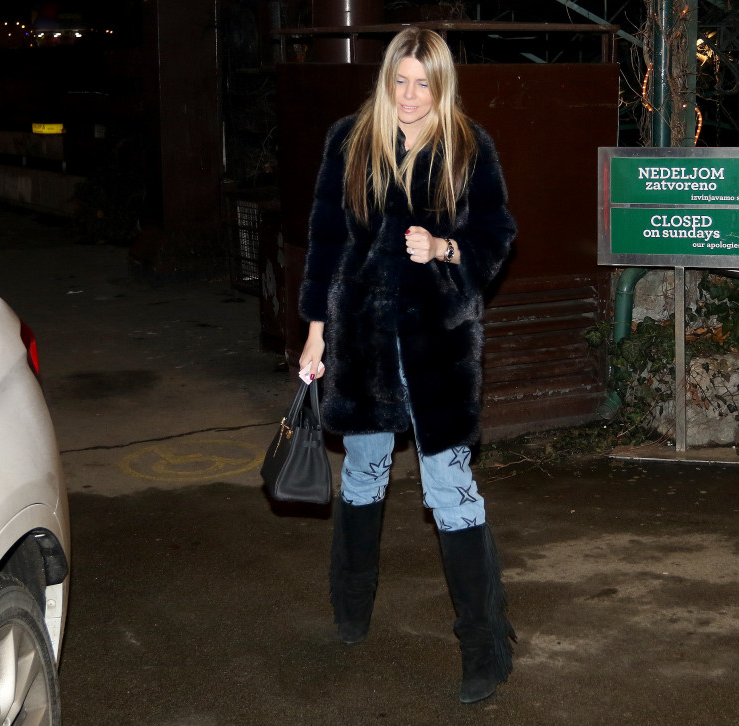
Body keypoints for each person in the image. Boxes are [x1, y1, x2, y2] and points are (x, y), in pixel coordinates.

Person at [298, 26, 517, 704]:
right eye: (402, 81)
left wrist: (444, 248)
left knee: (450, 488)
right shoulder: (350, 140)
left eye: (425, 83)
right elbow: (325, 241)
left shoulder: (469, 147)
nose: (412, 95)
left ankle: (486, 649)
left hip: (436, 347)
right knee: (363, 473)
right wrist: (315, 334)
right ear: (386, 80)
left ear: (441, 86)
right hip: (361, 340)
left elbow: (496, 237)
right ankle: (351, 610)